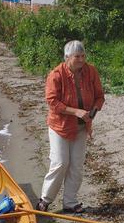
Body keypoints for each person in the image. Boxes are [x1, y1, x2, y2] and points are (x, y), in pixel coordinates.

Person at [36, 40, 105, 214]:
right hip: (60, 126)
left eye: (83, 56)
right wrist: (76, 112)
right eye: (77, 57)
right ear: (67, 57)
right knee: (60, 163)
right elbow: (52, 102)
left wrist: (93, 112)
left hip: (82, 127)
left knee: (76, 165)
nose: (81, 60)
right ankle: (45, 199)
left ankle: (70, 202)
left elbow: (99, 97)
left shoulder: (91, 71)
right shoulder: (56, 75)